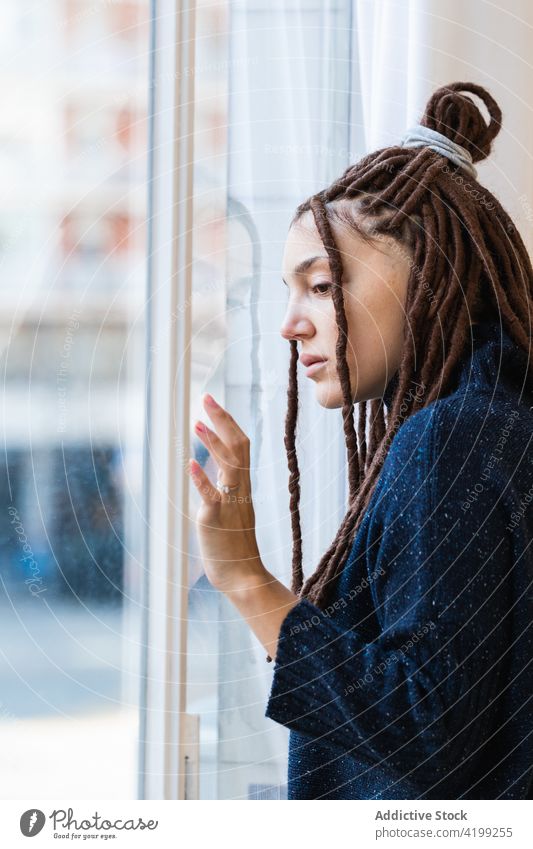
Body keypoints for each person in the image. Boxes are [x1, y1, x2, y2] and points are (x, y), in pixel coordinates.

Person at [187, 81, 533, 800]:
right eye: (288, 290)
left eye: (320, 284)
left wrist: (244, 577)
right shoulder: (497, 425)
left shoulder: (451, 442)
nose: (290, 323)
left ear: (432, 273)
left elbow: (419, 728)